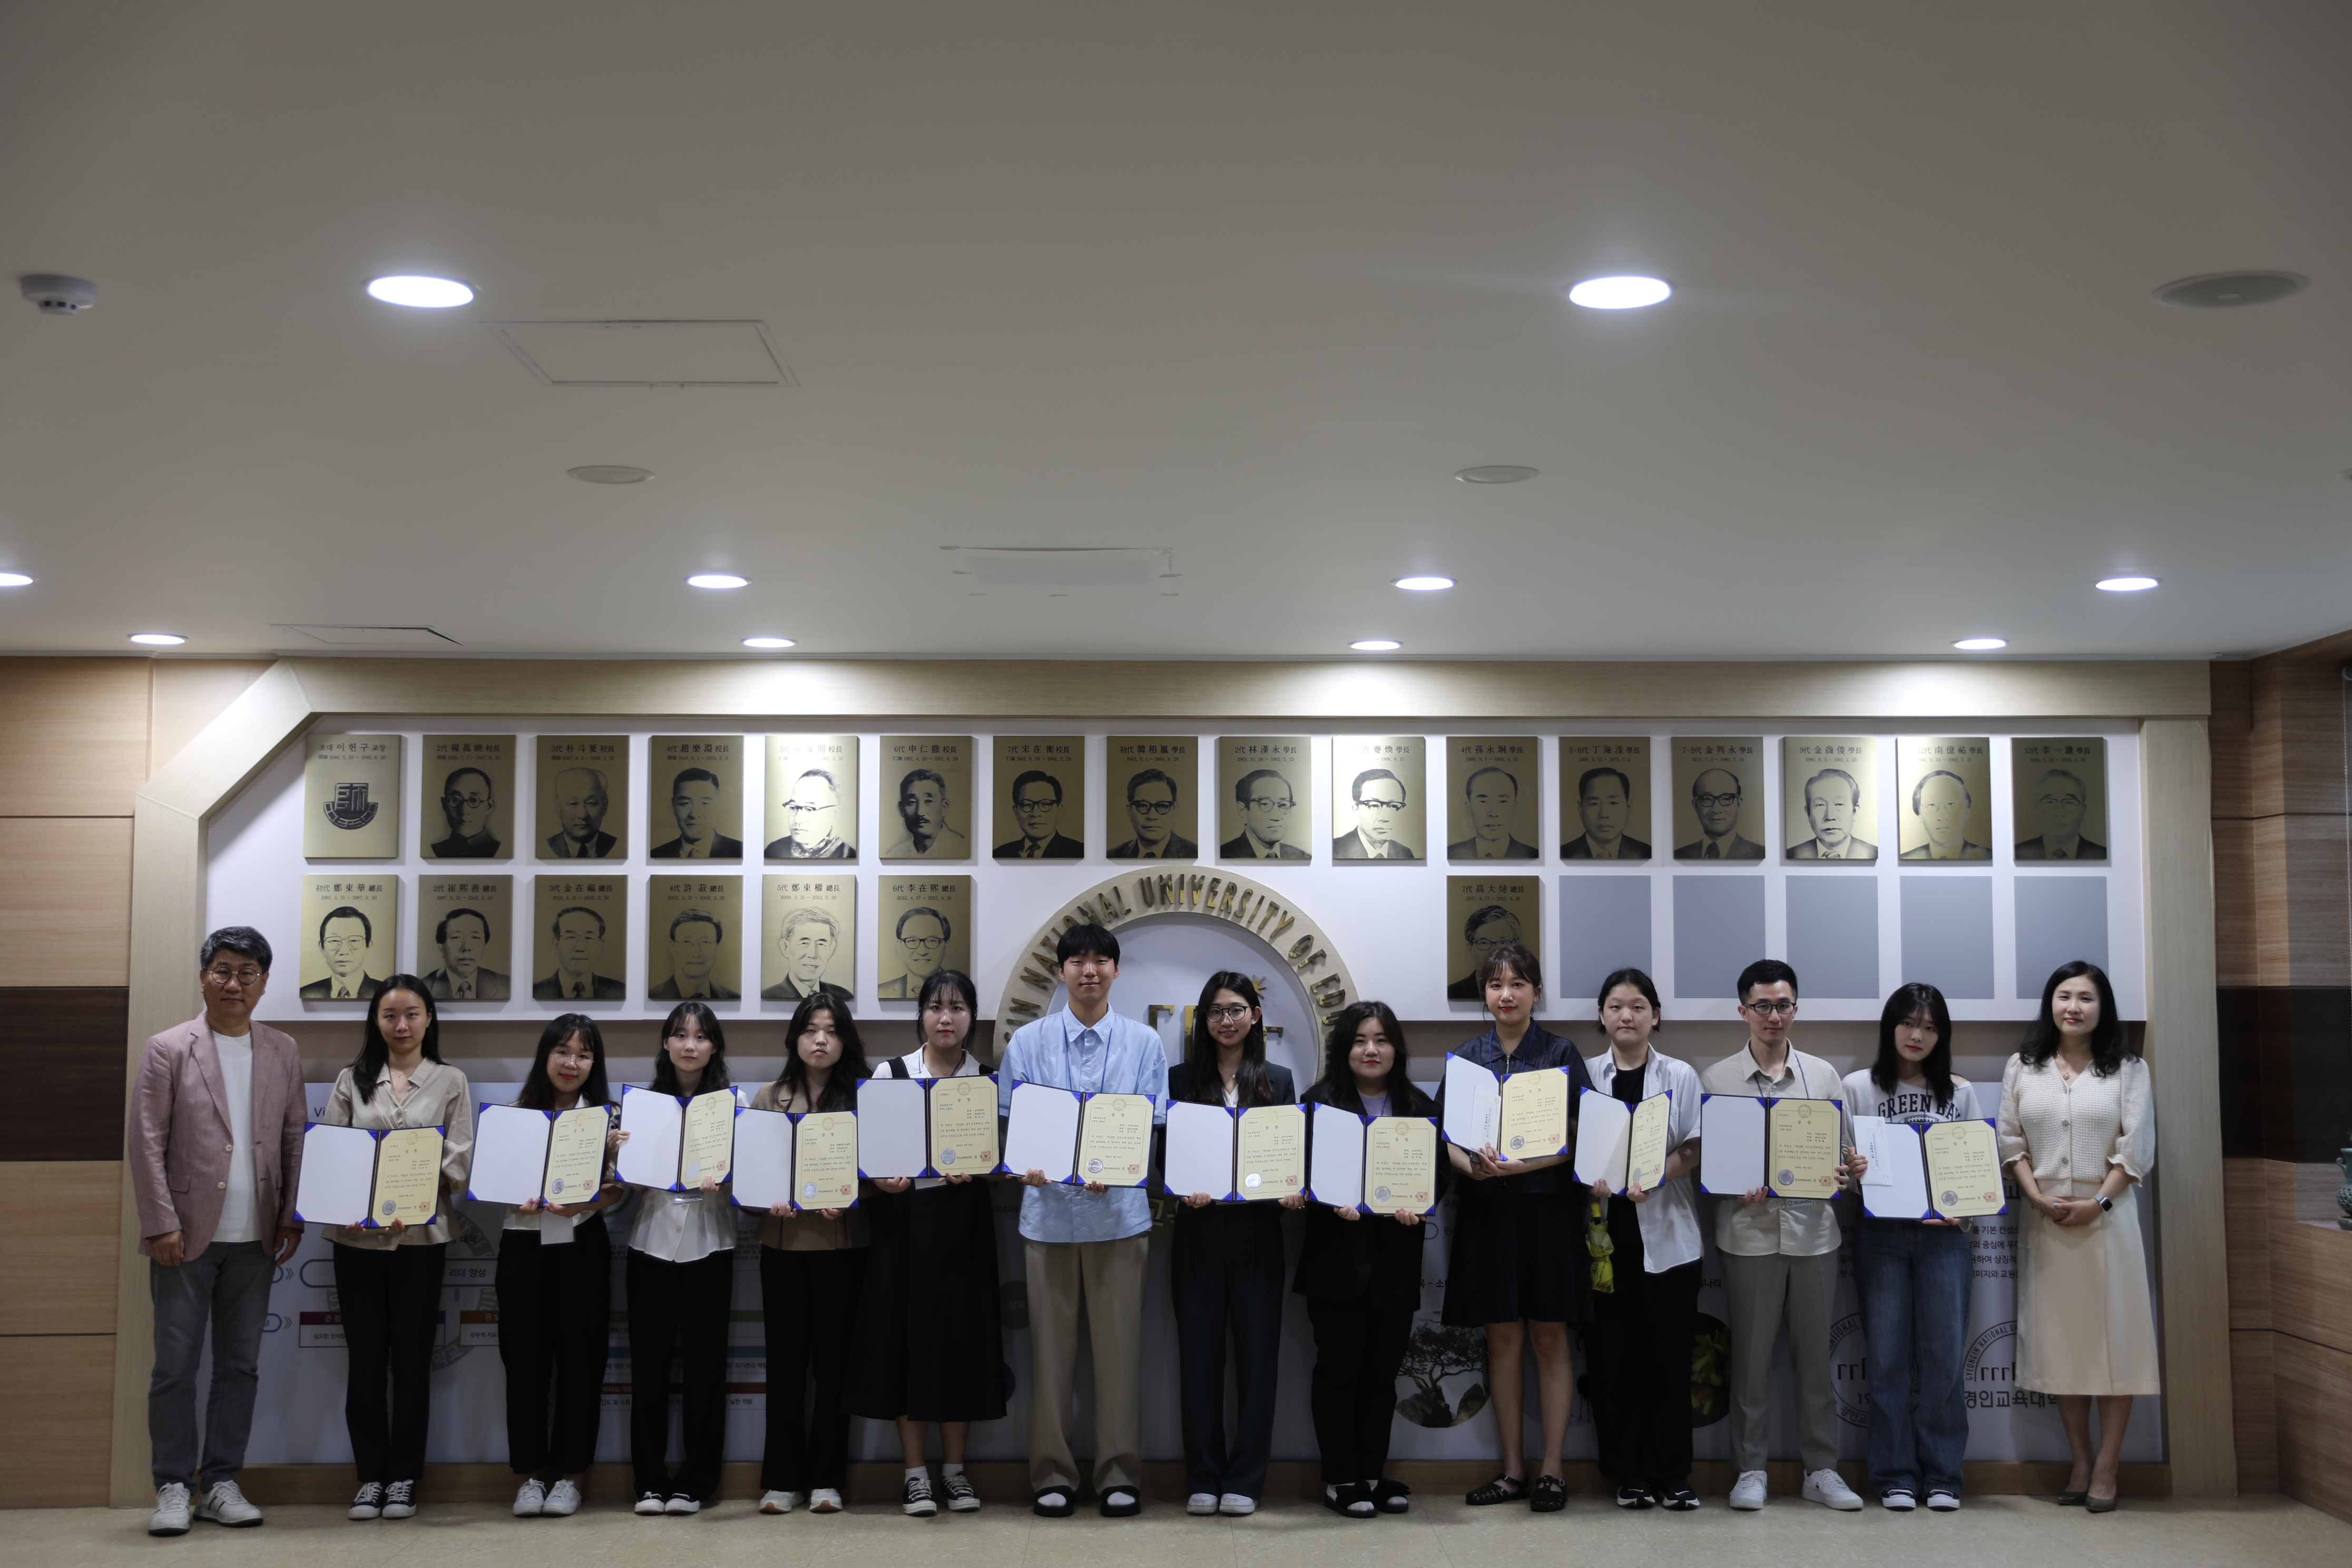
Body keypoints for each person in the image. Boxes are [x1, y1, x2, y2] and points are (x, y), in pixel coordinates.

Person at [132, 926, 306, 1536]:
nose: (235, 983)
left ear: (263, 982)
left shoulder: (282, 1049)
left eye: (249, 973)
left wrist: (291, 1214)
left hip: (256, 1237)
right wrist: (159, 1223)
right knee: (175, 1367)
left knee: (241, 1366)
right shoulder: (168, 1048)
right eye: (223, 971)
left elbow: (292, 1137)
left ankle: (222, 1481)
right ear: (204, 976)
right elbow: (147, 1142)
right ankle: (174, 1485)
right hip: (184, 1236)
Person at [997, 923, 1168, 1519]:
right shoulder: (1027, 1043)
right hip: (1046, 1218)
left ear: (1116, 972)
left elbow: (1150, 1126)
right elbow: (1010, 1125)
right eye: (1078, 961)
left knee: (1121, 1356)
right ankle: (1052, 1474)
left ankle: (1120, 1473)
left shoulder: (1146, 1044)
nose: (1089, 970)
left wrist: (1120, 1167)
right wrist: (1024, 1166)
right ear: (1062, 972)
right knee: (1050, 1358)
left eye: (1100, 961)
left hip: (1120, 1217)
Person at [1698, 959, 1866, 1513]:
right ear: (1743, 1011)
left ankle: (1822, 1470)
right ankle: (1750, 1470)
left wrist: (1846, 1172)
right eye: (1763, 1006)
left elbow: (1841, 1158)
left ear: (1797, 1008)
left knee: (1815, 1362)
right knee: (1749, 1363)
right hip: (1746, 1236)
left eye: (1784, 1005)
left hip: (1815, 1235)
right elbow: (1711, 1168)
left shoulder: (1824, 1077)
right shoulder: (1717, 1080)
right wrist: (1731, 1186)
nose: (1775, 1016)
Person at [1439, 943, 1592, 1514]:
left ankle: (1552, 1470)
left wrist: (1526, 1165)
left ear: (1536, 992)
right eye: (1496, 985)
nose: (1506, 995)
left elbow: (1581, 1136)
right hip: (1488, 1212)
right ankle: (1511, 1471)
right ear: (1485, 993)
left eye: (1518, 984)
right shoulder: (1466, 1058)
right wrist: (1472, 1167)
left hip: (1546, 1210)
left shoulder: (1559, 1052)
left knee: (1550, 1337)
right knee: (1501, 1339)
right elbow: (1445, 1140)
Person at [1998, 961, 2157, 1513]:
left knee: (2117, 1347)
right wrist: (2036, 1197)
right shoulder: (2025, 1066)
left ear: (2102, 1007)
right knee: (2063, 1349)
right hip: (2046, 1220)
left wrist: (2099, 1202)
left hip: (2108, 1223)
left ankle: (2109, 1469)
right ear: (2050, 1005)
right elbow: (2010, 1142)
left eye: (2085, 997)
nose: (2073, 1006)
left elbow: (2137, 1151)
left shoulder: (2128, 1068)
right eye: (2064, 996)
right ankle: (2081, 1460)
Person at [846, 970, 1005, 1517]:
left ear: (970, 1019)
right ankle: (916, 1475)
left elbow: (1003, 1162)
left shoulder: (988, 1078)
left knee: (960, 1345)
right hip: (903, 1225)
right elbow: (866, 1156)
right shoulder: (889, 1074)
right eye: (936, 1007)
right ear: (920, 1015)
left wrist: (988, 1170)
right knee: (905, 1344)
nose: (946, 1017)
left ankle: (955, 1473)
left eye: (958, 1008)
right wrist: (881, 1179)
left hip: (964, 1224)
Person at [321, 978, 475, 1523]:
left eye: (412, 1014)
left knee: (411, 1361)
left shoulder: (451, 1080)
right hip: (356, 1239)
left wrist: (417, 1173)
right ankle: (370, 1477)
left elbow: (461, 1163)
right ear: (376, 1021)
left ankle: (405, 1477)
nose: (402, 1025)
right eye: (390, 1015)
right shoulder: (352, 1079)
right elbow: (331, 1156)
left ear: (430, 1018)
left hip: (421, 1238)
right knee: (365, 1361)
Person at [1295, 1001, 1441, 1519]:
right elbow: (1300, 1178)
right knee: (1340, 1371)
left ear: (1396, 1048)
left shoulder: (1421, 1109)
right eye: (1360, 1040)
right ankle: (1340, 1478)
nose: (1371, 1050)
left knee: (1382, 1376)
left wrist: (1418, 1206)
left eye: (1380, 1040)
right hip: (1336, 1265)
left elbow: (1435, 1183)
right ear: (1344, 1049)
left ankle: (1371, 1474)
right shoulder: (1318, 1103)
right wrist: (1319, 1197)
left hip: (1395, 1265)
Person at [1166, 973, 1304, 1516]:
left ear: (1256, 1017)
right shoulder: (1178, 1079)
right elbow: (1163, 1156)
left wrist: (1289, 1192)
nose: (1228, 1020)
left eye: (1238, 1010)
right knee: (1198, 1360)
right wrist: (1183, 1185)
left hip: (1258, 1234)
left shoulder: (1279, 1080)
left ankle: (1245, 1478)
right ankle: (1203, 1474)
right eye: (1217, 1011)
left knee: (1257, 1361)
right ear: (1204, 1021)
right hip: (1198, 1230)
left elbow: (1291, 1158)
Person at [1842, 983, 1979, 1513]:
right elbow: (1842, 1172)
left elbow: (1973, 1167)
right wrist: (1853, 1175)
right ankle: (1895, 1475)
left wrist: (1963, 1208)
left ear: (1940, 1035)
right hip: (1880, 1235)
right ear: (1890, 1028)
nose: (1917, 1035)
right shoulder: (1859, 1088)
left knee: (1944, 1361)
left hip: (1945, 1238)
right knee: (1888, 1361)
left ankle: (1944, 1476)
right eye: (1908, 1024)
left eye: (1929, 1026)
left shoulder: (1959, 1092)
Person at [1581, 968, 1705, 1511]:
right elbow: (1572, 1148)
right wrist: (1594, 1178)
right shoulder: (1584, 1074)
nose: (1625, 1016)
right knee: (1613, 1363)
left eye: (1637, 1006)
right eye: (1615, 1006)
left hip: (1670, 1239)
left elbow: (1695, 1147)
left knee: (1669, 1362)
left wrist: (1655, 1175)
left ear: (1655, 1014)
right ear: (1602, 1016)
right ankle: (1627, 1474)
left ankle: (1673, 1474)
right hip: (1605, 1241)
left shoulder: (1681, 1075)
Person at [497, 1016, 625, 1520]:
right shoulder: (514, 1116)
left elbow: (619, 1189)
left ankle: (571, 1478)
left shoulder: (606, 1119)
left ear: (594, 1064)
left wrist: (586, 1202)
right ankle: (529, 1477)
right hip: (522, 1246)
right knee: (524, 1366)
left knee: (581, 1364)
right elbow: (492, 1184)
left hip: (582, 1248)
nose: (572, 1063)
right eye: (563, 1052)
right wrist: (517, 1196)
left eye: (584, 1055)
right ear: (545, 1056)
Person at [751, 996, 873, 1515]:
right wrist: (765, 1200)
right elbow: (750, 1176)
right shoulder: (768, 1098)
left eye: (831, 1030)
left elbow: (885, 1171)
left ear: (845, 1040)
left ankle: (827, 1479)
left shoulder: (865, 1099)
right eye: (810, 1030)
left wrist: (852, 1195)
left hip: (842, 1248)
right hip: (783, 1248)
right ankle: (781, 1479)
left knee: (835, 1369)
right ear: (794, 1039)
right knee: (784, 1367)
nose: (820, 1040)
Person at [623, 1003, 739, 1516]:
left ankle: (696, 1482)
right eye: (679, 1035)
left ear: (714, 1047)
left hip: (710, 1246)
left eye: (700, 1036)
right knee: (647, 1369)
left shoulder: (731, 1109)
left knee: (705, 1370)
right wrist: (618, 1154)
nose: (690, 1045)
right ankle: (649, 1481)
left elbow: (752, 1181)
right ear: (665, 1045)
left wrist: (732, 1173)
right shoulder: (641, 1107)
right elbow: (623, 1183)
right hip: (649, 1245)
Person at [532, 906, 626, 1000]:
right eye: (571, 937)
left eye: (589, 938)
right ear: (557, 944)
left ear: (600, 945)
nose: (580, 948)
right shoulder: (536, 991)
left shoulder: (621, 990)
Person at [761, 907, 852, 1002]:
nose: (813, 954)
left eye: (821, 944)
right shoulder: (769, 995)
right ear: (785, 947)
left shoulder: (842, 995)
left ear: (831, 949)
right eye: (804, 943)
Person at [651, 767, 743, 859]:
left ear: (718, 805)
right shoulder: (655, 855)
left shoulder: (740, 851)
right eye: (685, 804)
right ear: (674, 806)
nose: (695, 814)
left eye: (705, 803)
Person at [1448, 766, 1539, 859]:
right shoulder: (1450, 854)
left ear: (1515, 808)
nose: (1493, 813)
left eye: (1503, 802)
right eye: (1483, 802)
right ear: (1469, 808)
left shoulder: (1532, 855)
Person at [298, 905, 387, 1001]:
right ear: (322, 948)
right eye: (334, 941)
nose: (344, 951)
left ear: (368, 946)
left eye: (354, 940)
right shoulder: (306, 992)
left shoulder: (385, 993)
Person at [1787, 768, 1878, 860]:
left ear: (1855, 811)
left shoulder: (1874, 854)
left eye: (1839, 804)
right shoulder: (1792, 855)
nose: (1830, 817)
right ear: (1808, 813)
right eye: (1820, 805)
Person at [649, 908, 740, 1000]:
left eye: (705, 942)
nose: (696, 953)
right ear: (673, 946)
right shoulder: (653, 996)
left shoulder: (733, 997)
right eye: (687, 942)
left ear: (717, 946)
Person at [420, 907, 509, 1001]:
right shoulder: (422, 989)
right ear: (441, 947)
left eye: (475, 938)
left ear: (484, 944)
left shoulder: (506, 985)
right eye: (456, 937)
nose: (467, 948)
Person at [1673, 768, 1764, 860]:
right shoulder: (1678, 855)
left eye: (1726, 799)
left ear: (1739, 803)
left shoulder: (1760, 853)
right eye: (1707, 799)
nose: (1716, 810)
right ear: (1695, 806)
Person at [1899, 770, 1991, 860]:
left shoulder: (1988, 856)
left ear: (1967, 811)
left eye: (1951, 804)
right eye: (1931, 805)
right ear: (1920, 814)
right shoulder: (1907, 858)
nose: (1942, 817)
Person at [1564, 766, 1652, 860]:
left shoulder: (1647, 853)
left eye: (1613, 803)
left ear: (1628, 808)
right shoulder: (1563, 853)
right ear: (1581, 809)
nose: (1604, 814)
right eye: (1594, 804)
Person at [2015, 770, 2106, 860]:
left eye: (2069, 802)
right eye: (2050, 802)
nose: (2059, 813)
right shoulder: (2017, 852)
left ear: (2083, 810)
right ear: (2037, 809)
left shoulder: (2103, 855)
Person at [1107, 767, 1197, 858]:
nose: (1152, 816)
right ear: (1130, 812)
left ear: (1174, 811)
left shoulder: (1195, 854)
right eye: (1142, 806)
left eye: (1163, 806)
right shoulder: (1114, 855)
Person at [766, 767, 855, 859]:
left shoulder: (848, 856)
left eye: (810, 809)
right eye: (793, 807)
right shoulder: (774, 850)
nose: (798, 819)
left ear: (835, 813)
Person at [1220, 768, 1308, 859]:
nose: (1276, 817)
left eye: (1283, 805)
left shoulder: (1301, 856)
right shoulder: (1225, 855)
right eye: (1265, 804)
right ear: (1243, 810)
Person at [996, 769, 1085, 858]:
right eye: (1027, 805)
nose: (1035, 813)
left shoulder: (1080, 852)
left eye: (1045, 804)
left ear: (1059, 811)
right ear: (1016, 812)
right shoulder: (999, 854)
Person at [883, 767, 969, 858]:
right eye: (912, 802)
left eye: (928, 801)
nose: (920, 812)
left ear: (944, 807)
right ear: (902, 809)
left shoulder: (962, 848)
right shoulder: (894, 854)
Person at [1333, 768, 1417, 859]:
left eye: (1393, 806)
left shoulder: (1405, 853)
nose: (1385, 818)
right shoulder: (1334, 850)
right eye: (1373, 806)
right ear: (1356, 809)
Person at [1445, 905, 1520, 999]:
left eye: (1503, 943)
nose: (1493, 951)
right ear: (1471, 949)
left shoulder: (1525, 991)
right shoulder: (1454, 992)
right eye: (1484, 943)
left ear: (1515, 947)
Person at [877, 906, 952, 998]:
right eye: (912, 941)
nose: (922, 951)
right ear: (899, 947)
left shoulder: (960, 990)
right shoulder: (881, 991)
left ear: (946, 947)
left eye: (932, 941)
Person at [544, 767, 617, 858]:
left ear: (605, 806)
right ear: (559, 807)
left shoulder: (617, 845)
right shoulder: (548, 846)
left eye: (591, 803)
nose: (583, 815)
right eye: (573, 803)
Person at [431, 766, 502, 857]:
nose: (464, 811)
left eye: (474, 800)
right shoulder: (437, 850)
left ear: (489, 806)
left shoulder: (499, 850)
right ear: (444, 805)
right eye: (456, 800)